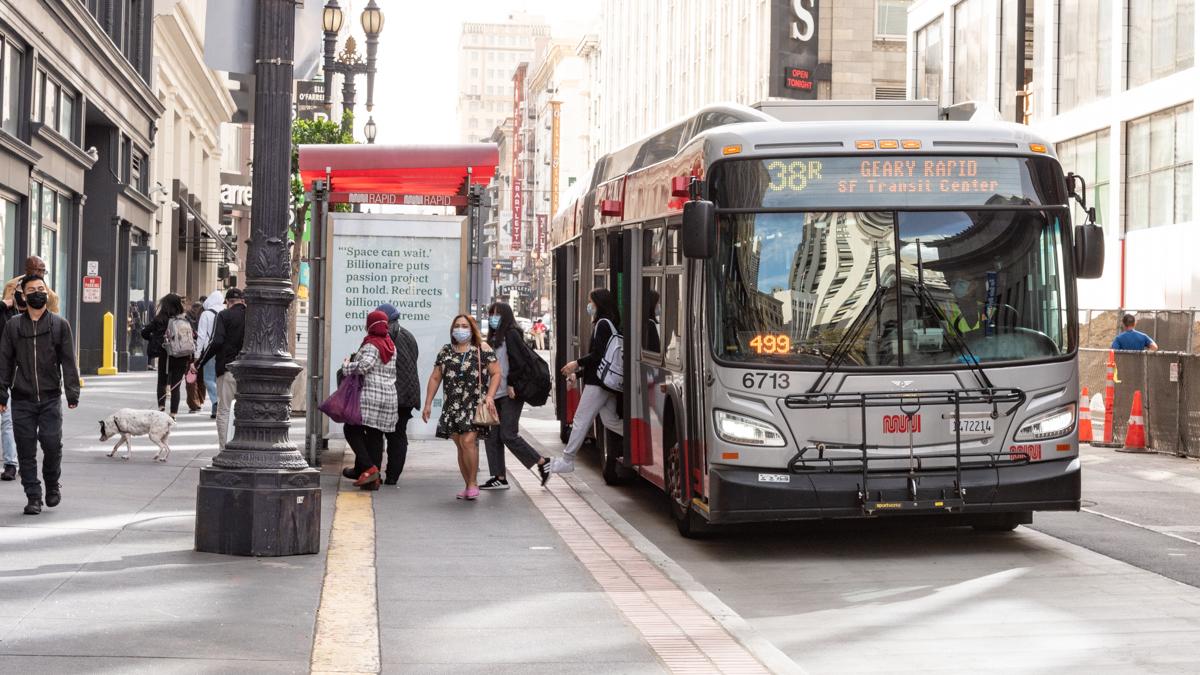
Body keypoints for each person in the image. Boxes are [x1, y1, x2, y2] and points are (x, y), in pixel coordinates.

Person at [0, 275, 79, 515]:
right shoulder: (13, 326)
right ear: (23, 295)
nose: (37, 293)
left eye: (41, 289)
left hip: (50, 397)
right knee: (25, 449)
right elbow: (4, 361)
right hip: (22, 398)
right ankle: (33, 496)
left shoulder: (60, 324)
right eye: (31, 290)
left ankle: (52, 484)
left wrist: (72, 391)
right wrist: (2, 393)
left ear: (47, 293)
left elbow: (68, 361)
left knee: (52, 444)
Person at [422, 315, 500, 500]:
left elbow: (496, 373)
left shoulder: (482, 348)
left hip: (474, 404)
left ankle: (473, 483)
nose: (460, 329)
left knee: (468, 442)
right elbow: (435, 377)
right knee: (460, 445)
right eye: (457, 326)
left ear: (472, 329)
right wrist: (428, 403)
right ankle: (467, 485)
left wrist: (490, 396)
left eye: (464, 326)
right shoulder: (446, 351)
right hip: (452, 406)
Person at [550, 288, 624, 474]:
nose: (588, 306)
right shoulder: (611, 324)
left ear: (598, 304)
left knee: (581, 420)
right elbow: (601, 360)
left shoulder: (602, 325)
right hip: (605, 382)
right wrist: (579, 374)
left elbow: (597, 356)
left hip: (598, 384)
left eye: (590, 302)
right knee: (610, 421)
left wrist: (576, 364)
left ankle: (567, 460)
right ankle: (638, 438)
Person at [480, 302, 552, 490]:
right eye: (491, 314)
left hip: (511, 393)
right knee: (492, 436)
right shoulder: (495, 337)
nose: (492, 318)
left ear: (505, 316)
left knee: (508, 434)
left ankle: (542, 461)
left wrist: (512, 383)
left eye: (496, 314)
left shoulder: (511, 333)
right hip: (494, 393)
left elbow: (519, 362)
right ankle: (498, 476)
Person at [341, 310, 399, 490]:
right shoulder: (390, 345)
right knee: (374, 435)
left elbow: (364, 367)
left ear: (370, 325)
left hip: (371, 396)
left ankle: (368, 467)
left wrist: (346, 366)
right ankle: (372, 478)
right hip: (388, 396)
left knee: (350, 428)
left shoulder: (372, 344)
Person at [196, 288, 246, 450]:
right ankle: (241, 447)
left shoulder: (224, 316)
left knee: (224, 410)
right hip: (248, 371)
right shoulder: (253, 316)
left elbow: (215, 342)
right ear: (243, 301)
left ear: (228, 302)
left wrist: (199, 363)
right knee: (244, 412)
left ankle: (225, 450)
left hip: (227, 368)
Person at [141, 294, 191, 418]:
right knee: (176, 384)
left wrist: (153, 338)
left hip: (165, 353)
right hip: (181, 354)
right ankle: (173, 412)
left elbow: (144, 332)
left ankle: (161, 407)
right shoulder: (184, 318)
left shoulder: (159, 319)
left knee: (162, 381)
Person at [0, 291, 20, 481]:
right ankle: (12, 462)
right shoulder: (5, 314)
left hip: (17, 377)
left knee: (9, 421)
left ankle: (13, 462)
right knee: (7, 421)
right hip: (5, 375)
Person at [195, 290, 224, 419]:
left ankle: (216, 402)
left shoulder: (206, 314)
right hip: (223, 351)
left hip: (209, 350)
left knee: (208, 378)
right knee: (220, 378)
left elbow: (201, 336)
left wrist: (197, 354)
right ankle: (219, 403)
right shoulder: (225, 312)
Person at [184, 300, 206, 413]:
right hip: (202, 351)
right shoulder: (205, 317)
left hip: (189, 351)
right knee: (201, 378)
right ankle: (199, 401)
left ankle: (194, 403)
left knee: (191, 378)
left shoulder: (186, 318)